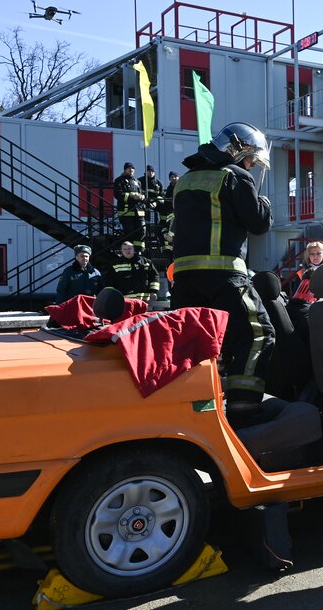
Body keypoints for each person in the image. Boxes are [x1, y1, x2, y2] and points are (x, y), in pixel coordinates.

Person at [171, 121, 275, 421]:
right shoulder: (235, 176)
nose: (253, 165)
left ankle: (199, 408)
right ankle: (244, 408)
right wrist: (263, 203)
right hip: (224, 277)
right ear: (238, 150)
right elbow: (258, 223)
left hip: (184, 281)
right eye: (251, 158)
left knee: (199, 344)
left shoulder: (186, 180)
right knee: (259, 334)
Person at [113, 162, 147, 248]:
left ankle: (138, 251)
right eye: (129, 168)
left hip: (139, 211)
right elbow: (118, 194)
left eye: (133, 168)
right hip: (126, 212)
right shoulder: (119, 180)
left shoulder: (137, 182)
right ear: (125, 169)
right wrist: (131, 196)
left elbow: (143, 193)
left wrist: (142, 196)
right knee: (129, 233)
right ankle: (128, 251)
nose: (131, 170)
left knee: (142, 231)